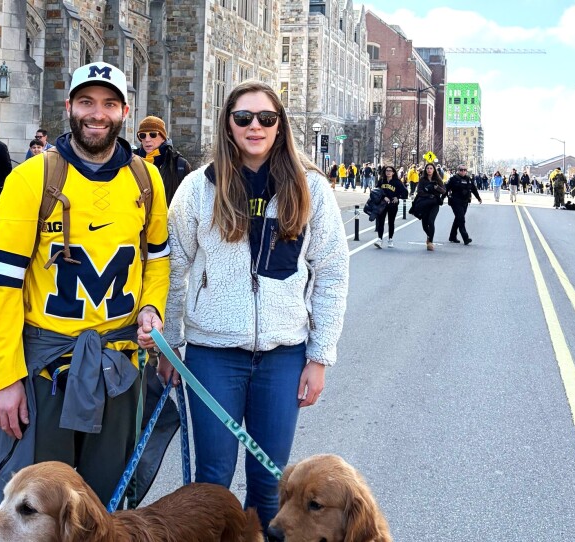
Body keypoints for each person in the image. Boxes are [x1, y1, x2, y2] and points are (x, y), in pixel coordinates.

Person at [0, 61, 169, 513]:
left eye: (109, 104)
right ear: (70, 107)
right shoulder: (31, 178)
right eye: (87, 102)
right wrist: (5, 380)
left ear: (125, 112)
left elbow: (157, 260)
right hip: (47, 369)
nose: (98, 114)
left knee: (105, 506)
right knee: (39, 508)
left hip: (120, 365)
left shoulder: (146, 179)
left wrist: (153, 310)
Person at [161, 80, 349, 531]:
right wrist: (169, 345)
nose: (255, 126)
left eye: (266, 118)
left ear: (280, 125)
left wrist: (319, 356)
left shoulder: (312, 191)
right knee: (213, 485)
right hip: (213, 356)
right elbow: (172, 269)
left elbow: (332, 274)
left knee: (270, 484)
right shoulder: (197, 189)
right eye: (243, 117)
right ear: (228, 124)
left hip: (283, 356)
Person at [133, 115, 191, 205]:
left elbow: (188, 202)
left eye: (153, 134)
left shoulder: (179, 164)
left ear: (163, 137)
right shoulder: (130, 161)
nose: (147, 140)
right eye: (142, 135)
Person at [409, 162, 446, 251]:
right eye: (428, 168)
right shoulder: (422, 179)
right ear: (425, 170)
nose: (429, 170)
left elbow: (444, 191)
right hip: (425, 203)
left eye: (431, 168)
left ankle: (430, 242)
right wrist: (428, 195)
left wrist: (436, 187)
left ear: (434, 170)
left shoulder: (438, 179)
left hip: (435, 203)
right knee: (424, 224)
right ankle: (429, 235)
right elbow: (420, 191)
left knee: (431, 221)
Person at [446, 165, 483, 245]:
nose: (463, 171)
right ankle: (465, 238)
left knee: (458, 219)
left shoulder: (468, 179)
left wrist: (478, 198)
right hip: (455, 202)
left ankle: (452, 236)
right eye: (461, 170)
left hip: (465, 202)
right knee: (461, 219)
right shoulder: (453, 179)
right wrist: (441, 199)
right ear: (458, 170)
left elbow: (473, 189)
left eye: (464, 170)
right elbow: (446, 189)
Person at [372, 165, 407, 248]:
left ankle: (390, 239)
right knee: (381, 222)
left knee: (391, 222)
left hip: (393, 205)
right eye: (387, 170)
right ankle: (379, 239)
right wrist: (383, 197)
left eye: (390, 171)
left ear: (393, 172)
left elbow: (405, 192)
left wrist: (397, 197)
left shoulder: (397, 182)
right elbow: (376, 191)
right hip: (382, 204)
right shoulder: (381, 181)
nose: (388, 172)